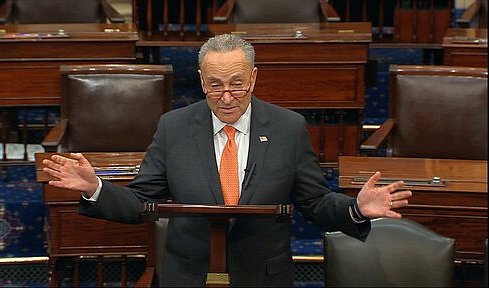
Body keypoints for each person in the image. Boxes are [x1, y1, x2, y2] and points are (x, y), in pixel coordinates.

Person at [42, 33, 412, 287]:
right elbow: (142, 201)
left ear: (254, 77)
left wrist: (357, 209)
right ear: (202, 82)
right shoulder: (174, 127)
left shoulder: (288, 127)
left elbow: (314, 202)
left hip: (262, 276)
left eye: (237, 83)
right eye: (215, 85)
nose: (227, 96)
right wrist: (96, 189)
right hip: (188, 276)